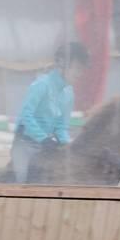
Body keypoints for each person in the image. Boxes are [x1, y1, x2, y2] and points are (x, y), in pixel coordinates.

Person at [11, 42, 90, 183]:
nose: (80, 74)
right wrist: (44, 139)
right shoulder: (41, 84)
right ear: (61, 63)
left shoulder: (68, 93)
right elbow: (26, 116)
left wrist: (67, 146)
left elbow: (61, 126)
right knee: (21, 181)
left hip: (46, 148)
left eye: (82, 70)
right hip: (24, 145)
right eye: (77, 68)